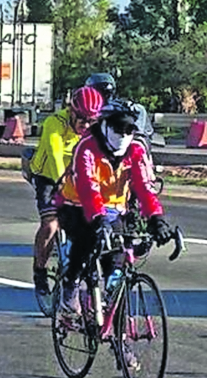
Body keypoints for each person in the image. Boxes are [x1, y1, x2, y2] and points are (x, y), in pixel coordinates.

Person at [54, 100, 172, 317]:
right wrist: (99, 220)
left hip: (114, 209)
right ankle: (71, 283)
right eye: (118, 129)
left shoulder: (136, 150)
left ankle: (120, 338)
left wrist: (156, 219)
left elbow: (145, 187)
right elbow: (88, 187)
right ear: (105, 125)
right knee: (87, 241)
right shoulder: (87, 147)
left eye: (129, 130)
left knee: (117, 267)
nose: (124, 135)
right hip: (77, 206)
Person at [29, 86, 103, 303]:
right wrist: (62, 183)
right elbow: (54, 155)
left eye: (92, 120)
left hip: (77, 179)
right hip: (49, 178)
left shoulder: (94, 129)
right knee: (51, 225)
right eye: (81, 119)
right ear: (71, 110)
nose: (86, 125)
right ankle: (40, 271)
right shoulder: (55, 123)